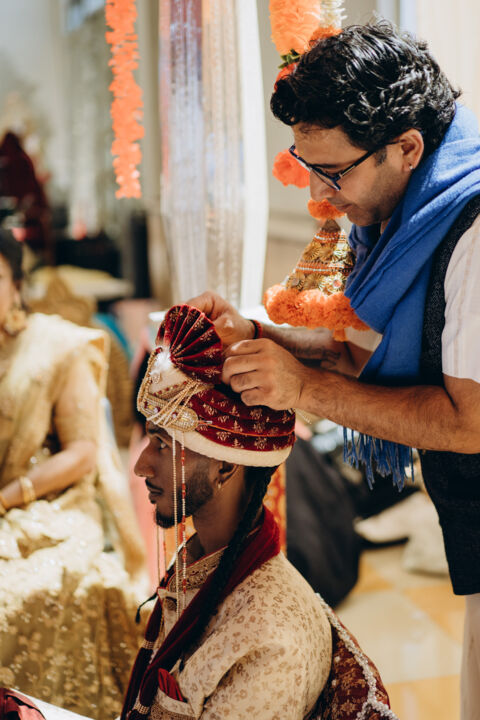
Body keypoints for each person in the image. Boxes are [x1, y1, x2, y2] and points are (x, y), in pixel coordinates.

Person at [188, 21, 480, 720]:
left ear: (406, 148)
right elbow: (379, 360)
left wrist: (304, 388)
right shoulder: (406, 217)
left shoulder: (471, 234)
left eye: (335, 172)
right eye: (305, 165)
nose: (319, 195)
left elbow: (470, 423)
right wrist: (261, 337)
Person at [122, 303, 333, 720]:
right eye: (149, 440)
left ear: (224, 467)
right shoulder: (204, 559)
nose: (141, 466)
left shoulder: (268, 644)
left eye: (163, 445)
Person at [0, 229, 147, 719]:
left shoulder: (57, 346)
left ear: (17, 285)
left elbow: (83, 451)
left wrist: (8, 496)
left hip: (44, 503)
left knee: (20, 593)